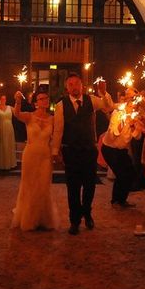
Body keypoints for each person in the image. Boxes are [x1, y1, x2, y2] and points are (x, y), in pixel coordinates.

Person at [51, 73, 113, 235]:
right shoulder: (61, 105)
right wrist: (55, 151)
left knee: (90, 186)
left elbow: (107, 107)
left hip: (88, 150)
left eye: (76, 84)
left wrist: (104, 93)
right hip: (70, 150)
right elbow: (58, 130)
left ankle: (87, 212)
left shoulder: (91, 100)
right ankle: (74, 220)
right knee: (73, 188)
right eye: (70, 84)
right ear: (67, 88)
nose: (74, 87)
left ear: (82, 85)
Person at [11, 90, 58, 231]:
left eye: (46, 98)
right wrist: (18, 100)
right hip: (30, 154)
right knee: (29, 185)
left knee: (44, 186)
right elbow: (17, 114)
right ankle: (29, 219)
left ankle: (43, 219)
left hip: (45, 155)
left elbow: (56, 137)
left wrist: (56, 153)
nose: (44, 100)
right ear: (36, 103)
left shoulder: (53, 119)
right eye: (41, 98)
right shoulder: (29, 117)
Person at [101, 90, 142, 208]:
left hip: (121, 150)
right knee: (121, 174)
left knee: (131, 173)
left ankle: (122, 200)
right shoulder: (118, 113)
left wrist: (134, 126)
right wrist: (122, 124)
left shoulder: (136, 116)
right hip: (110, 149)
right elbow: (112, 134)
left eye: (135, 107)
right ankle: (115, 201)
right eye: (131, 106)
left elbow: (137, 136)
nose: (132, 108)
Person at [0, 95, 17, 170]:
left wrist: (18, 102)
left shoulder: (10, 108)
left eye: (4, 99)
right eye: (1, 99)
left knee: (7, 144)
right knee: (0, 144)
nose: (3, 100)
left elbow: (18, 113)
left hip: (9, 128)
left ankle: (8, 163)